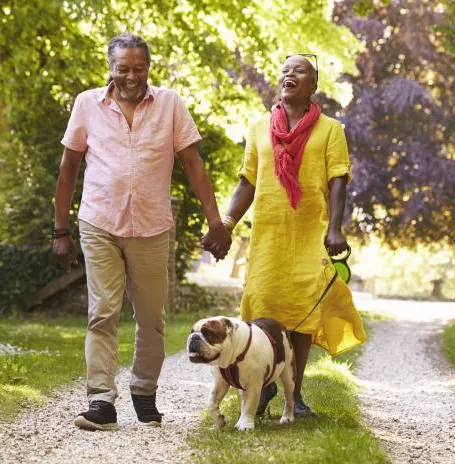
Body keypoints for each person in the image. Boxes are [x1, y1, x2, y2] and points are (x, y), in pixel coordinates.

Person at [53, 33, 231, 431]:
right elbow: (68, 169)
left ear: (149, 68)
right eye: (123, 69)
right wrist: (59, 231)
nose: (131, 76)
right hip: (99, 222)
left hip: (151, 228)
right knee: (103, 313)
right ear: (110, 69)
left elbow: (193, 164)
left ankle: (144, 392)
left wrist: (215, 220)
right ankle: (101, 401)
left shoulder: (170, 104)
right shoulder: (87, 104)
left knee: (151, 318)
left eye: (139, 68)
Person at [203, 54, 367, 416]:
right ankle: (262, 387)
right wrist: (227, 223)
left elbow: (338, 179)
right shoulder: (260, 127)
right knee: (262, 307)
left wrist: (335, 228)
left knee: (301, 316)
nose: (289, 74)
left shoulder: (330, 130)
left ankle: (297, 395)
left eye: (300, 70)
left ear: (313, 85)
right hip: (269, 235)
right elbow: (248, 180)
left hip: (310, 233)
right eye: (285, 70)